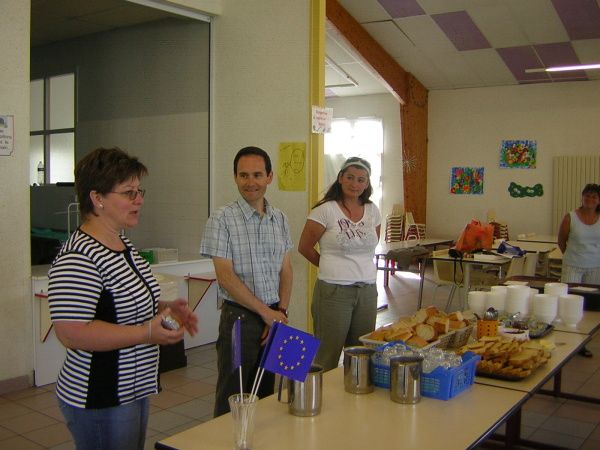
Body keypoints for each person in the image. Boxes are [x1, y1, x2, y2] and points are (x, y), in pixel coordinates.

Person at [48, 147, 198, 450]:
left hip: (133, 388)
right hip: (101, 395)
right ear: (97, 198)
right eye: (129, 193)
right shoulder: (78, 257)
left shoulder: (122, 245)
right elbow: (71, 332)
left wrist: (165, 308)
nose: (139, 200)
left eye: (139, 191)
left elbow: (118, 305)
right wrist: (146, 332)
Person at [200, 146, 293, 417]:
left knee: (265, 394)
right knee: (233, 395)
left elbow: (286, 270)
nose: (250, 182)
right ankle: (226, 439)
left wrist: (280, 312)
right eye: (243, 175)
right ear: (235, 178)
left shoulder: (280, 218)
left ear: (269, 177)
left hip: (274, 315)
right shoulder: (222, 219)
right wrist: (267, 314)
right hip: (239, 320)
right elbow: (225, 277)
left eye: (257, 174)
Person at [298, 157, 381, 371]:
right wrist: (328, 265)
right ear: (340, 178)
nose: (355, 184)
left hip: (367, 291)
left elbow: (371, 246)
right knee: (327, 354)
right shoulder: (325, 210)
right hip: (333, 292)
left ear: (367, 183)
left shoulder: (372, 210)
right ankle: (322, 391)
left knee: (362, 353)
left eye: (361, 179)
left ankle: (355, 390)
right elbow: (304, 247)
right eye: (350, 177)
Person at [558, 183, 600, 357]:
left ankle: (583, 343)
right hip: (573, 266)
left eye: (594, 196)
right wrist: (573, 257)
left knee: (588, 307)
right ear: (582, 197)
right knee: (569, 304)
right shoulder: (571, 217)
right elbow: (561, 241)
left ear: (599, 200)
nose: (590, 199)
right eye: (587, 195)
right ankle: (566, 340)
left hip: (595, 267)